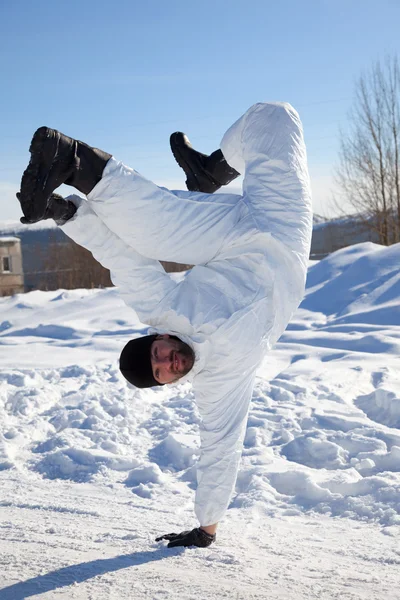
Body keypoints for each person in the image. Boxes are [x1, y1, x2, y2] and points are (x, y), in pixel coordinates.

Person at [17, 102, 313, 548]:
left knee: (155, 229)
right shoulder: (219, 383)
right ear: (169, 381)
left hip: (229, 238)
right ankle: (213, 172)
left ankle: (74, 160)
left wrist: (67, 215)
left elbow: (122, 260)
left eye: (157, 354)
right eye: (162, 372)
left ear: (157, 338)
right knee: (276, 118)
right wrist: (205, 527)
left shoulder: (163, 310)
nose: (168, 361)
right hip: (284, 232)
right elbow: (219, 450)